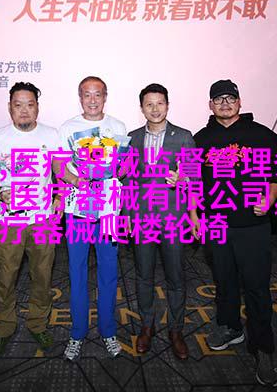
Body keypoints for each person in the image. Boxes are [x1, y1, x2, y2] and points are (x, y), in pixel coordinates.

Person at [191, 80, 277, 387]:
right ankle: (230, 327)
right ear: (210, 105)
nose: (225, 103)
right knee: (224, 282)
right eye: (218, 99)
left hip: (252, 225)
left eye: (230, 98)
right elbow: (192, 182)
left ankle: (263, 348)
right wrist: (194, 216)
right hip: (216, 224)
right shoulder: (200, 139)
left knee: (257, 288)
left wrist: (270, 198)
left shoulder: (263, 135)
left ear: (240, 102)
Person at [0, 82, 60, 357]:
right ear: (10, 108)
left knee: (42, 276)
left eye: (30, 104)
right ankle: (3, 328)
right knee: (5, 278)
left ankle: (38, 323)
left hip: (43, 221)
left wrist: (60, 196)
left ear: (37, 107)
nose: (24, 110)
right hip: (7, 222)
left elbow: (60, 171)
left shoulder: (51, 135)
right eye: (18, 105)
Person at [53, 76, 126, 361]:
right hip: (77, 210)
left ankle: (108, 331)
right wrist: (75, 179)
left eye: (97, 94)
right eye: (87, 95)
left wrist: (118, 168)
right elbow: (58, 165)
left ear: (105, 97)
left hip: (108, 211)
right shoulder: (68, 128)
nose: (92, 100)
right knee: (77, 272)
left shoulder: (117, 127)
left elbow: (124, 168)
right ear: (80, 97)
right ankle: (77, 333)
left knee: (109, 272)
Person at [124, 83, 196, 359]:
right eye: (149, 104)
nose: (155, 109)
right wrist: (128, 215)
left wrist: (184, 180)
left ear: (168, 105)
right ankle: (147, 326)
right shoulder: (132, 138)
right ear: (142, 108)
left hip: (173, 218)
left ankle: (176, 330)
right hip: (142, 218)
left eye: (160, 103)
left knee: (176, 277)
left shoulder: (184, 137)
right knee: (143, 275)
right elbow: (128, 181)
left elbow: (194, 180)